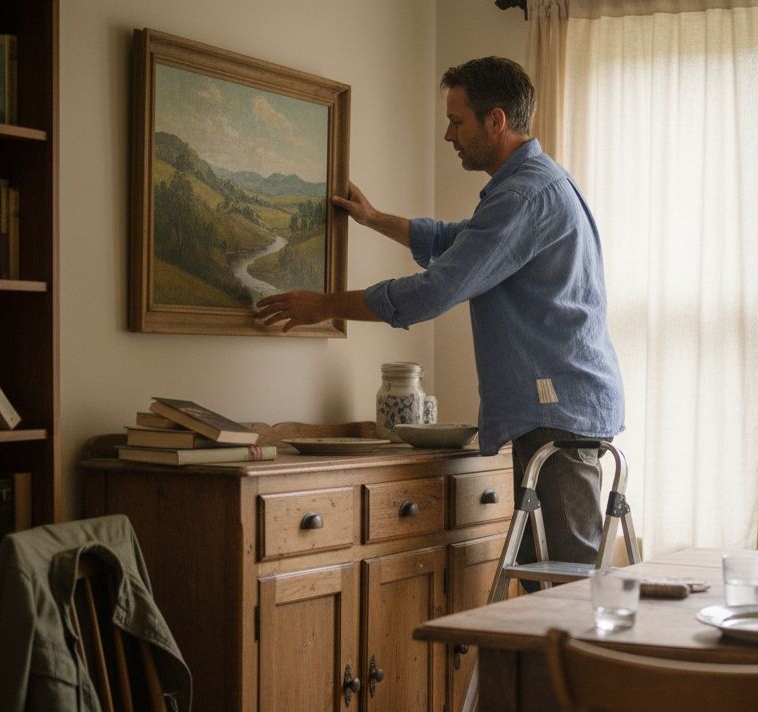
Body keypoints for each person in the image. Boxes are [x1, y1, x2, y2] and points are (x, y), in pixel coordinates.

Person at [255, 56, 624, 578]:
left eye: (457, 121)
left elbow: (437, 289)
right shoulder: (530, 186)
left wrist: (326, 305)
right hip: (559, 410)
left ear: (495, 121)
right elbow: (459, 243)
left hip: (556, 416)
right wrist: (375, 219)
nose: (448, 134)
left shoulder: (523, 195)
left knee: (565, 593)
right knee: (551, 591)